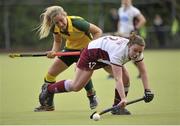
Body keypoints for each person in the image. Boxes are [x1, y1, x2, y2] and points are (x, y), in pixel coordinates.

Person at [38, 33, 154, 115]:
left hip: (106, 57)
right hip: (91, 54)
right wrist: (124, 98)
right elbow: (117, 79)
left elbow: (143, 72)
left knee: (126, 78)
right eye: (135, 51)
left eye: (140, 52)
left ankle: (117, 108)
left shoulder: (137, 52)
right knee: (76, 86)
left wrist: (147, 90)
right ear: (129, 45)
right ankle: (49, 89)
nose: (137, 54)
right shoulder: (118, 53)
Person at [34, 6, 103, 112]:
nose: (60, 24)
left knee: (79, 73)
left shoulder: (78, 23)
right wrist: (54, 52)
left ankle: (91, 95)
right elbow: (57, 41)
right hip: (69, 51)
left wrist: (90, 50)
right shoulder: (55, 27)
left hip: (85, 52)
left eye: (61, 20)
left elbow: (98, 31)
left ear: (65, 15)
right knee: (50, 75)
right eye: (57, 23)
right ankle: (48, 105)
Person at [111, 0, 146, 79]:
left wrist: (135, 29)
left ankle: (141, 71)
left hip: (131, 36)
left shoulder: (134, 10)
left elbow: (143, 20)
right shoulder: (120, 9)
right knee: (117, 54)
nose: (124, 1)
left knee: (134, 56)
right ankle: (113, 72)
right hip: (122, 35)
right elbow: (120, 21)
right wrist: (119, 31)